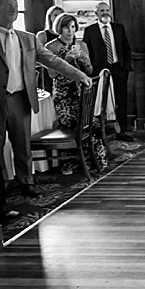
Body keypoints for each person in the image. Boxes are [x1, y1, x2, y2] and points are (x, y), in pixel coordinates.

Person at [0, 0, 92, 222]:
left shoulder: (27, 39)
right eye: (8, 6)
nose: (13, 10)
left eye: (16, 6)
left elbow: (53, 61)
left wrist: (78, 75)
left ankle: (27, 182)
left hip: (20, 99)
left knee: (23, 144)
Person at [45, 14, 106, 174]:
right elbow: (51, 74)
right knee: (69, 127)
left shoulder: (81, 44)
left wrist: (84, 61)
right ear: (59, 28)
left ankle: (92, 159)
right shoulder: (51, 47)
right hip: (63, 94)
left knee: (90, 124)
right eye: (66, 27)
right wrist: (65, 58)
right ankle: (70, 162)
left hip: (81, 93)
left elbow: (90, 70)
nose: (70, 31)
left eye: (73, 27)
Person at [83, 1, 134, 141]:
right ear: (96, 14)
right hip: (99, 71)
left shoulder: (118, 28)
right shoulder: (90, 30)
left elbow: (126, 48)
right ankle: (100, 130)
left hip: (118, 68)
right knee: (101, 100)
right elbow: (87, 52)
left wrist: (126, 67)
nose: (105, 13)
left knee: (121, 100)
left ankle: (121, 130)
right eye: (101, 11)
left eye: (107, 10)